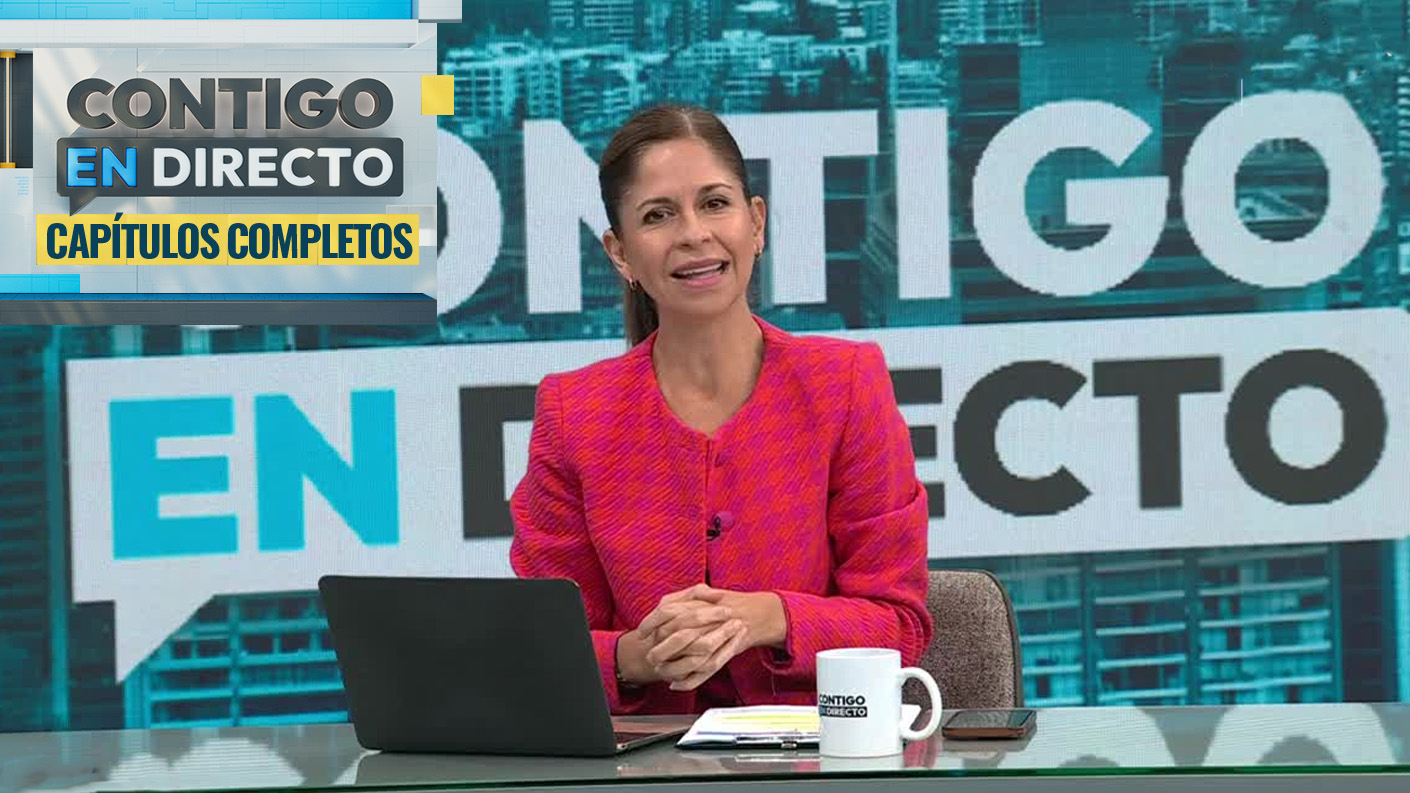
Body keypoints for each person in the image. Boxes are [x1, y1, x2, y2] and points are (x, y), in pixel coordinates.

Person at [509, 104, 932, 715]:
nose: (693, 234)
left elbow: (898, 624)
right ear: (621, 253)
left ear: (755, 223)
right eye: (658, 215)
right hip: (645, 760)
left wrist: (767, 617)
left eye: (714, 203)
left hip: (814, 755)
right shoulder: (574, 413)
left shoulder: (845, 384)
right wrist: (635, 657)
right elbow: (544, 647)